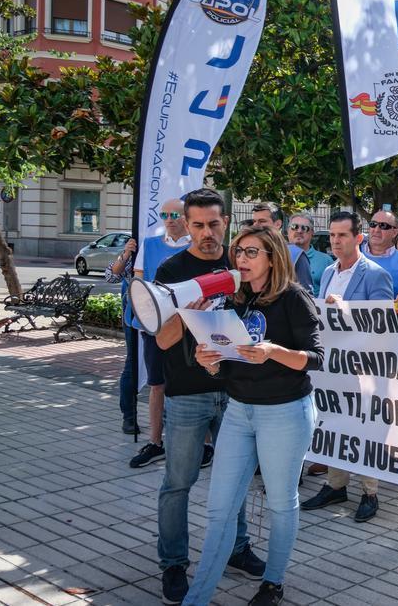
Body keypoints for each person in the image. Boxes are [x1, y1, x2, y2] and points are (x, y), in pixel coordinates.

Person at [183, 225, 322, 606]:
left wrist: (274, 350)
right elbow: (229, 366)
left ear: (272, 257)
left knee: (280, 502)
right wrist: (209, 362)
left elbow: (316, 358)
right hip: (239, 411)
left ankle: (272, 583)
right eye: (239, 252)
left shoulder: (294, 298)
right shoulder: (235, 300)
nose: (241, 259)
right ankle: (196, 598)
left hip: (286, 413)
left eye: (251, 252)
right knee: (219, 509)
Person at [152, 189, 264, 604]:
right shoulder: (171, 270)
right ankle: (174, 563)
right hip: (188, 392)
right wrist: (185, 309)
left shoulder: (244, 263)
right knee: (178, 483)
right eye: (197, 225)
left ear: (227, 222)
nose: (206, 233)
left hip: (236, 390)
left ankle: (236, 549)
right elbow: (163, 340)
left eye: (214, 224)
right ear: (185, 224)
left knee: (233, 480)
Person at [301, 211, 395, 522]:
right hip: (331, 367)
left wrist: (347, 314)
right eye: (332, 235)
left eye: (342, 235)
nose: (335, 241)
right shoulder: (328, 272)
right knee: (334, 423)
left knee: (366, 429)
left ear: (359, 238)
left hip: (364, 368)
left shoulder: (375, 274)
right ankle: (336, 484)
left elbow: (384, 324)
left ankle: (370, 492)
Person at [129, 198, 191, 468]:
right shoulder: (150, 244)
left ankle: (201, 445)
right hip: (154, 326)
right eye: (164, 213)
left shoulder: (197, 247)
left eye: (175, 214)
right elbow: (138, 283)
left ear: (186, 217)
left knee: (191, 383)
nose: (169, 218)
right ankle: (156, 441)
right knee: (157, 384)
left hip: (188, 327)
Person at [105, 236, 140, 434]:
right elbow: (111, 276)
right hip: (134, 314)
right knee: (132, 363)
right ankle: (129, 416)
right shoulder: (134, 247)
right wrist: (126, 253)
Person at [251, 203, 313, 293]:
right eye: (254, 221)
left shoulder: (295, 255)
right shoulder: (249, 252)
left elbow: (307, 297)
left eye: (262, 221)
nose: (256, 225)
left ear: (278, 224)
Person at [360, 208, 398, 294]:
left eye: (383, 226)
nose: (376, 230)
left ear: (395, 232)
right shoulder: (351, 257)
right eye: (373, 224)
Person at [288, 213, 333, 296]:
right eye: (294, 227)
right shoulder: (277, 257)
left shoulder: (326, 261)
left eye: (304, 228)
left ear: (312, 232)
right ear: (288, 230)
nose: (299, 231)